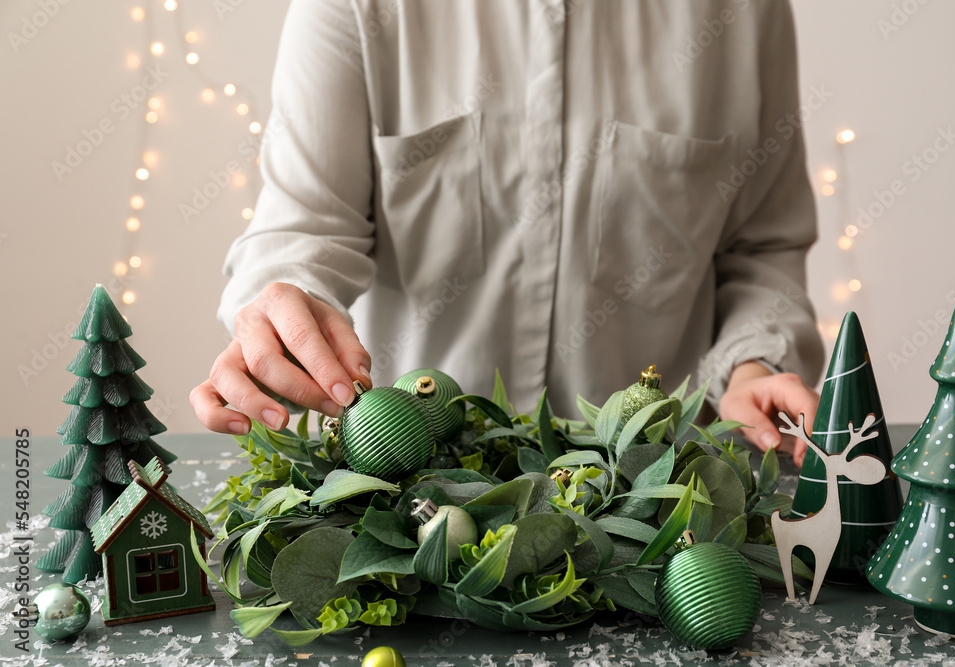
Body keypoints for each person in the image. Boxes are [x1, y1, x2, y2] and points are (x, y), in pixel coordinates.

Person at [190, 0, 825, 466]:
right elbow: (305, 222)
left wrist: (752, 362)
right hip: (412, 504)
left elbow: (761, 246)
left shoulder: (743, 14)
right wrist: (284, 313)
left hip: (661, 514)